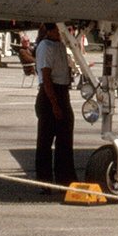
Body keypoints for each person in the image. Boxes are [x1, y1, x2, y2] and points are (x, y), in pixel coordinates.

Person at [34, 21, 76, 184]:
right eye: (59, 30)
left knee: (65, 139)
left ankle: (65, 177)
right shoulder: (45, 46)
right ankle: (44, 180)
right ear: (51, 30)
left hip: (62, 91)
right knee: (45, 141)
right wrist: (55, 105)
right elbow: (46, 78)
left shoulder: (59, 45)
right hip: (50, 94)